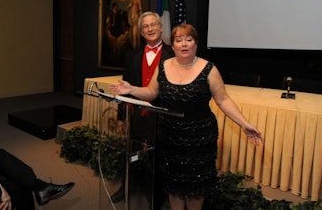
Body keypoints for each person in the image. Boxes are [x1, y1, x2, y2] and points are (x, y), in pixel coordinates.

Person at [111, 23, 264, 210]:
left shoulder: (209, 69)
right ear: (173, 45)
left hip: (198, 139)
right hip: (169, 136)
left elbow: (223, 101)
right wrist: (131, 89)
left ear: (195, 44)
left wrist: (244, 124)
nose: (184, 44)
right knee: (174, 185)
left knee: (195, 187)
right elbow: (151, 93)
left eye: (189, 39)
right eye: (178, 40)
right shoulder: (164, 65)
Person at [112, 11, 174, 208]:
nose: (150, 29)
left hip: (162, 117)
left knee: (159, 158)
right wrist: (121, 117)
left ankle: (156, 195)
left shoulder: (173, 55)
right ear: (140, 31)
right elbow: (125, 89)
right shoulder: (132, 56)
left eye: (153, 25)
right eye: (146, 26)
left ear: (161, 27)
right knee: (132, 152)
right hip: (137, 115)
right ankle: (127, 186)